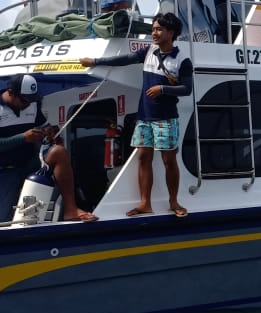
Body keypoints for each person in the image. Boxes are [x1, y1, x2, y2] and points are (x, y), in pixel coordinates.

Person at [79, 12, 192, 217]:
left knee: (169, 160)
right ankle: (145, 203)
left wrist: (162, 89)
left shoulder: (182, 60)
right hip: (144, 117)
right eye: (153, 29)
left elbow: (187, 89)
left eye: (159, 29)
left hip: (166, 117)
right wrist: (94, 61)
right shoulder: (149, 51)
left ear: (171, 32)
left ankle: (174, 202)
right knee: (143, 157)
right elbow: (124, 59)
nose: (154, 33)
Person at [0, 74, 48, 223]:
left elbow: (43, 126)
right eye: (25, 100)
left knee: (33, 216)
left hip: (28, 166)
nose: (28, 104)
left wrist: (48, 131)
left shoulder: (33, 104)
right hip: (1, 171)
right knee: (4, 219)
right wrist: (23, 138)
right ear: (11, 92)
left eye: (32, 100)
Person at [35, 126, 98, 221]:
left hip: (36, 158)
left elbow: (46, 128)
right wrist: (23, 137)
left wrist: (49, 133)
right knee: (58, 152)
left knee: (59, 151)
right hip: (13, 165)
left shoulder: (37, 115)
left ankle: (72, 210)